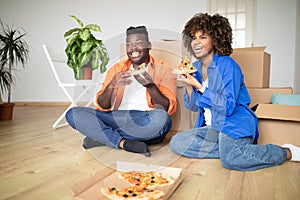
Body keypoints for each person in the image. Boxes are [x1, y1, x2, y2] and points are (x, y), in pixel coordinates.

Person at [170, 13, 300, 171]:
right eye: (193, 37)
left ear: (216, 39)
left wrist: (200, 86)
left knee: (230, 161)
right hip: (212, 129)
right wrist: (188, 85)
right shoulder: (195, 67)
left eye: (202, 37)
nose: (196, 42)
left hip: (233, 123)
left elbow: (228, 107)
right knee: (177, 142)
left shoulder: (229, 65)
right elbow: (193, 106)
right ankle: (234, 151)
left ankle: (285, 152)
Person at [65, 26, 177, 157]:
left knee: (163, 120)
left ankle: (102, 136)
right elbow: (102, 106)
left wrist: (151, 86)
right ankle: (124, 142)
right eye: (129, 44)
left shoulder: (163, 68)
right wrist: (111, 85)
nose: (133, 48)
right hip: (116, 117)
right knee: (73, 114)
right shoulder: (116, 69)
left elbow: (167, 108)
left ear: (149, 45)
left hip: (145, 119)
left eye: (139, 43)